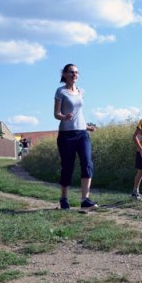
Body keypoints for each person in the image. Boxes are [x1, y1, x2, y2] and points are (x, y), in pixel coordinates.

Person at [53, 63, 98, 210]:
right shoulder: (61, 91)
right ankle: (63, 198)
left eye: (77, 72)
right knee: (67, 166)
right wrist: (64, 117)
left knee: (87, 162)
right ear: (65, 74)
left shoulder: (81, 91)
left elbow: (79, 114)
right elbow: (56, 114)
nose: (75, 75)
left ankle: (85, 200)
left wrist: (87, 126)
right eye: (72, 72)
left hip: (82, 133)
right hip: (66, 135)